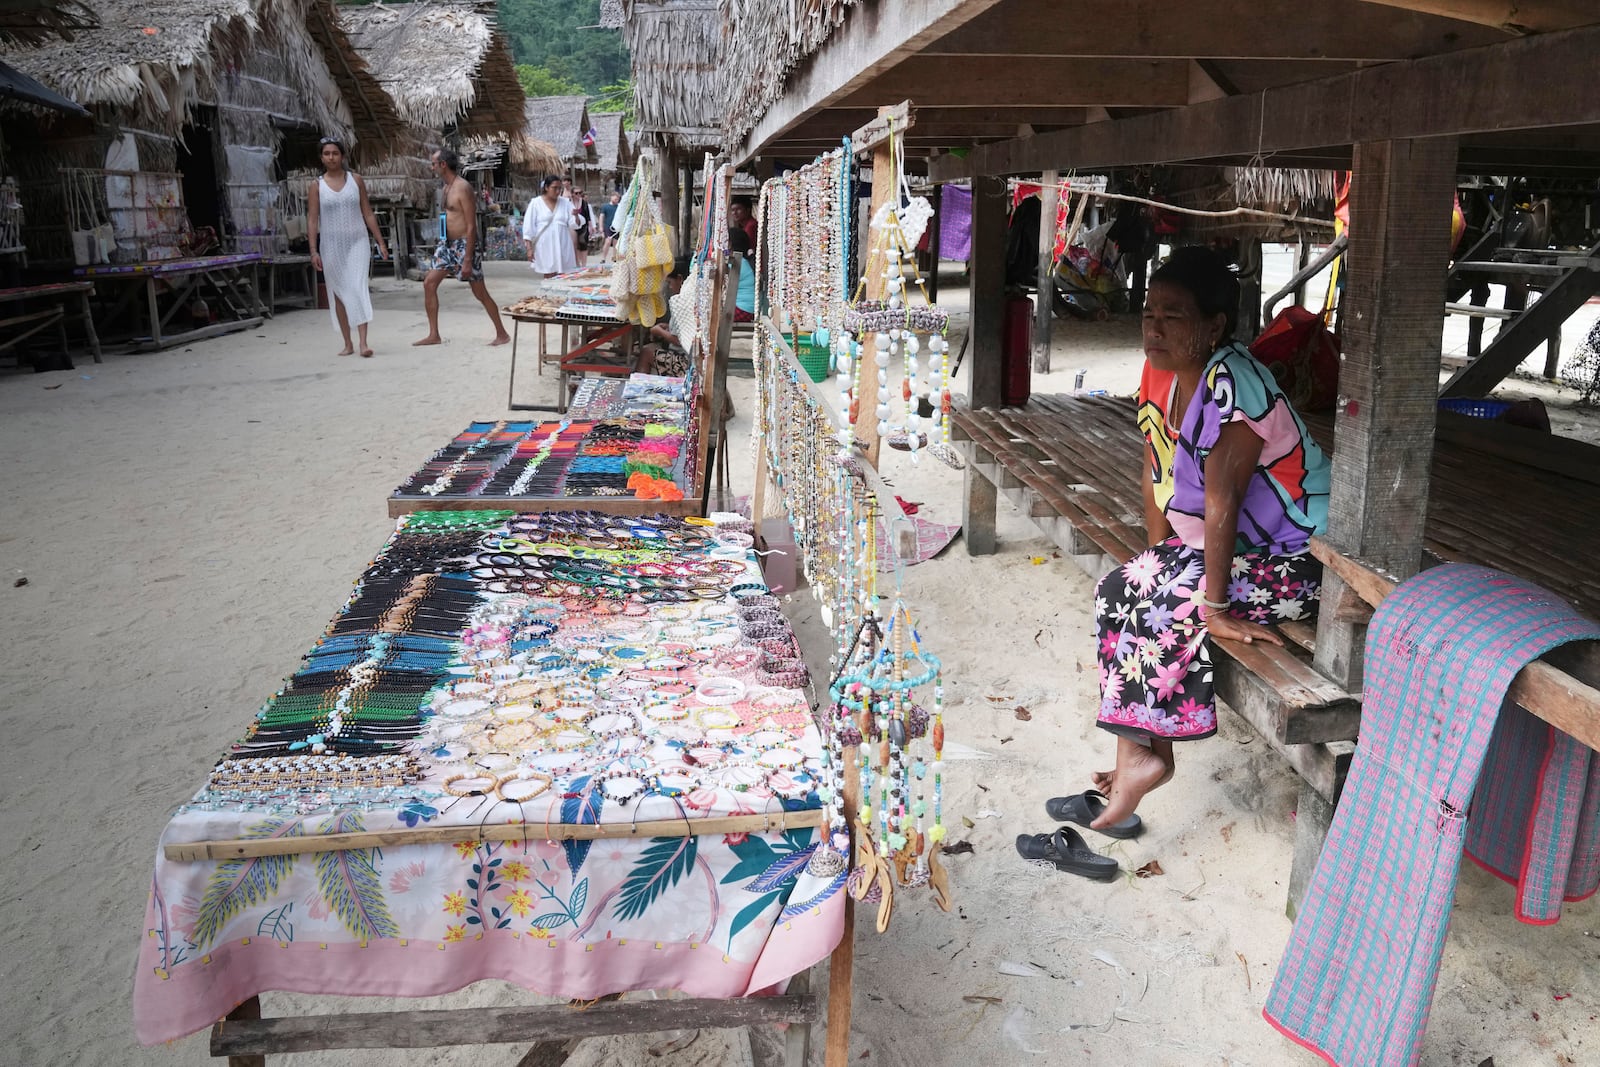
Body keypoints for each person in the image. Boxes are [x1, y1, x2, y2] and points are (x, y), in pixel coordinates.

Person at [1017, 247, 1331, 876]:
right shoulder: (1162, 372)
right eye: (1149, 312)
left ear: (1214, 326)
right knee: (1118, 589)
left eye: (1174, 315)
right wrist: (1157, 555)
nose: (1155, 327)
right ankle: (1137, 749)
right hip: (1227, 550)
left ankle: (1147, 760)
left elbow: (1223, 498)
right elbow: (1155, 467)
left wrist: (1211, 607)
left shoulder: (1234, 382)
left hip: (1294, 562)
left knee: (1165, 601)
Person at [413, 148, 510, 347]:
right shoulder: (446, 187)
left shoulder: (462, 187)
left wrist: (467, 258)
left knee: (479, 293)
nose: (431, 167)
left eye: (433, 163)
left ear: (443, 165)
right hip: (446, 245)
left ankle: (502, 333)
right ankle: (434, 334)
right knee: (429, 283)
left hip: (464, 245)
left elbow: (471, 225)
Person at [306, 137, 387, 357]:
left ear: (342, 156)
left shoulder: (356, 180)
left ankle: (363, 343)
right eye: (326, 154)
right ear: (321, 158)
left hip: (358, 242)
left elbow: (367, 212)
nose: (331, 157)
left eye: (335, 153)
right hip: (331, 246)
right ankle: (347, 342)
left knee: (357, 287)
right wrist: (313, 251)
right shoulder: (316, 186)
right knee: (340, 293)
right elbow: (313, 220)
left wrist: (380, 241)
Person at [637, 257, 692, 377]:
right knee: (650, 349)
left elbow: (679, 340)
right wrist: (668, 327)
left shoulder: (683, 302)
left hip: (686, 364)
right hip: (687, 357)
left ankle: (638, 387)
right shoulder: (688, 299)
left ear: (680, 279)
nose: (670, 287)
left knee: (646, 352)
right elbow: (683, 330)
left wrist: (660, 332)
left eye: (670, 282)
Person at [522, 176, 578, 277]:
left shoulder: (565, 203)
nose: (557, 191)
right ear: (547, 187)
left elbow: (574, 223)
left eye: (559, 188)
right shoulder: (536, 203)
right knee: (548, 273)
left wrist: (576, 215)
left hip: (563, 243)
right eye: (554, 188)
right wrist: (529, 249)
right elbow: (528, 227)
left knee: (564, 275)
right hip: (545, 244)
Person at [727, 228, 756, 322]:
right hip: (748, 309)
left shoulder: (736, 263)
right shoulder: (742, 261)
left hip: (743, 309)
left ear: (730, 243)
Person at [570, 186, 594, 267]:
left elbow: (588, 216)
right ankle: (577, 263)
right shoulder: (568, 203)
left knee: (583, 243)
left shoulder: (584, 202)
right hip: (572, 225)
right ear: (572, 194)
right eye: (576, 193)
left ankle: (584, 264)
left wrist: (591, 227)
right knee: (574, 244)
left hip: (583, 225)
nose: (578, 194)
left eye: (580, 193)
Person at [599, 191, 620, 263]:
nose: (616, 200)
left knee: (616, 243)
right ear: (611, 197)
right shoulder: (605, 206)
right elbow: (601, 217)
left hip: (617, 226)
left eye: (617, 199)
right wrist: (601, 227)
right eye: (615, 198)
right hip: (608, 226)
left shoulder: (619, 207)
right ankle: (603, 258)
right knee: (607, 242)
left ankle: (615, 258)